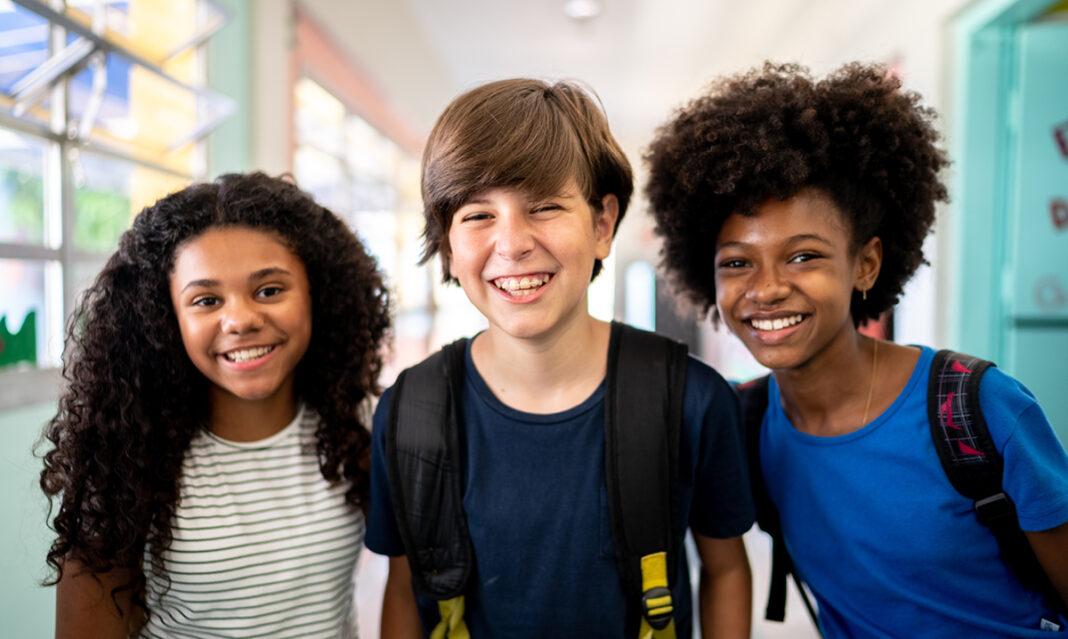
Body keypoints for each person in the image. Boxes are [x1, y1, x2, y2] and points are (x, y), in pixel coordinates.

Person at [644, 61, 1068, 638]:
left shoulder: (976, 409)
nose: (766, 289)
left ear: (865, 264)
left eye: (804, 256)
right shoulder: (742, 423)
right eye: (738, 262)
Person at [365, 78, 754, 638]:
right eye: (478, 215)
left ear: (601, 224)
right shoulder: (410, 413)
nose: (513, 242)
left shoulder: (689, 399)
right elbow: (403, 589)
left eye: (544, 206)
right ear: (448, 246)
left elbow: (725, 569)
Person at [39, 172, 392, 638]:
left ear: (317, 294)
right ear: (167, 318)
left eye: (269, 290)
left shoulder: (361, 425)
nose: (241, 320)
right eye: (206, 300)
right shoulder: (124, 456)